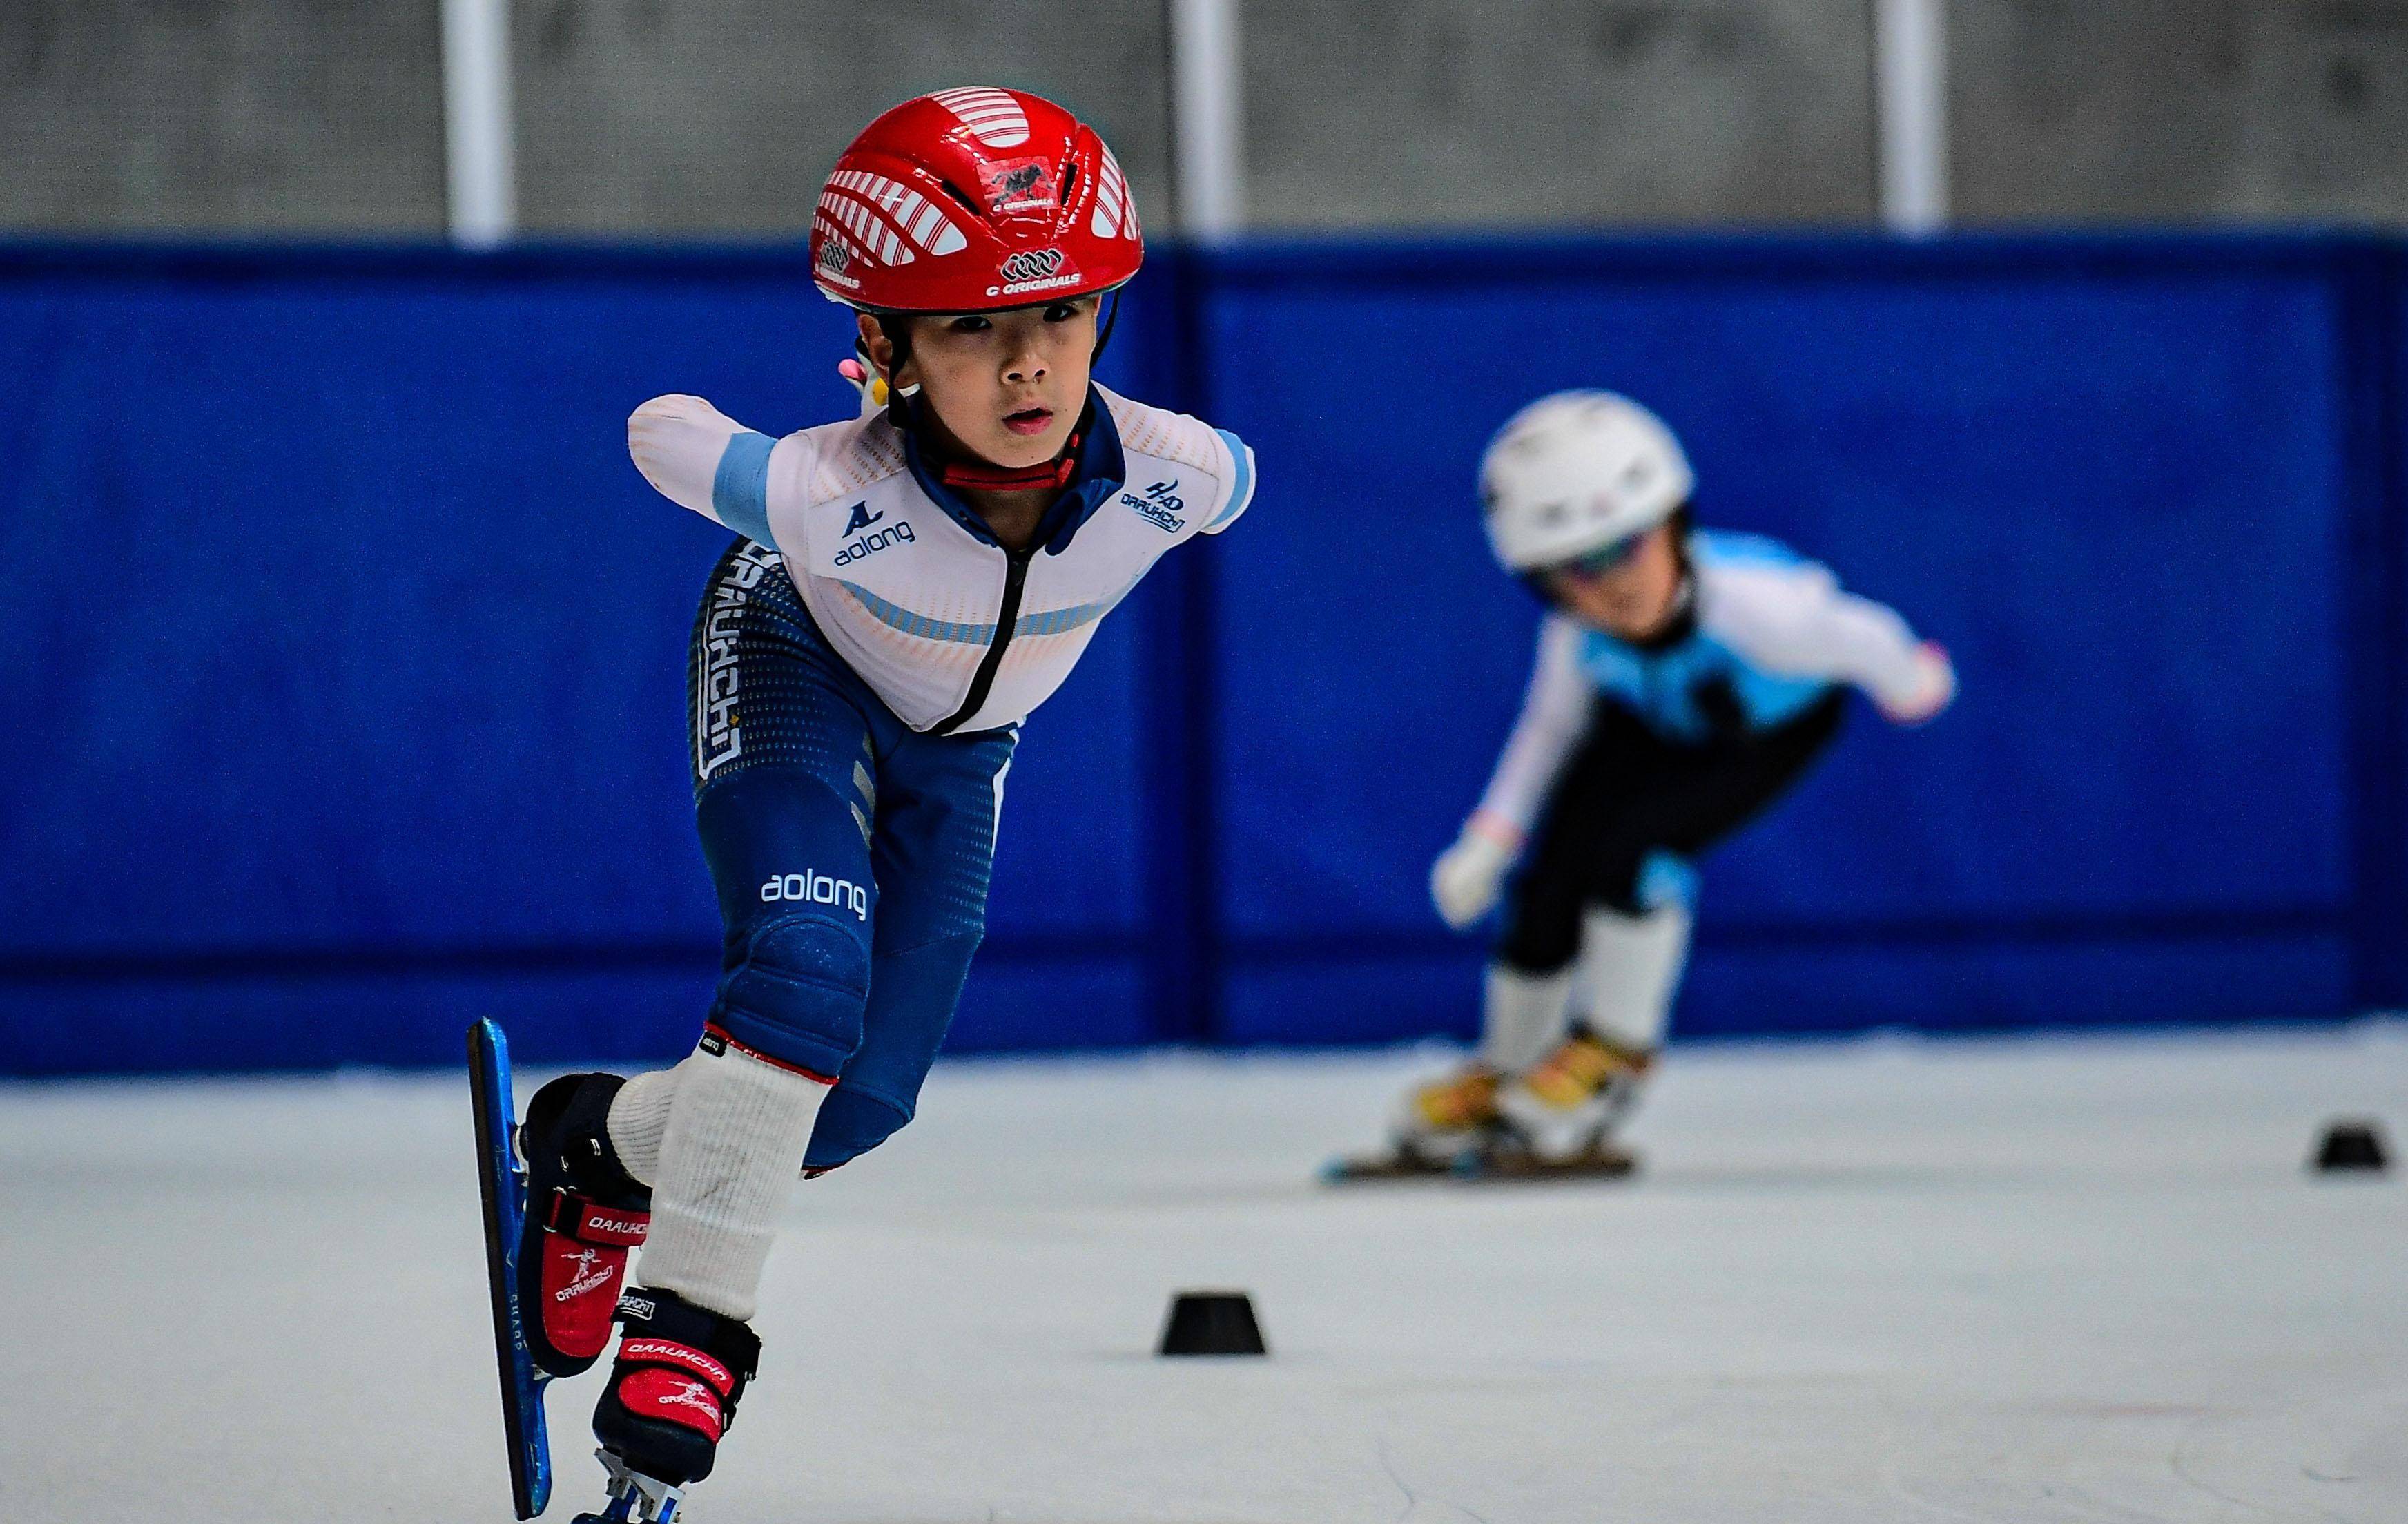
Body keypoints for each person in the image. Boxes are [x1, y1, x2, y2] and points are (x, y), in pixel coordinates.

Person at [496, 88, 1254, 1519]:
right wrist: (781, 481)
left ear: (1105, 316)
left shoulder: (1175, 472)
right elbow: (661, 430)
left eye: (1059, 316)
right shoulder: (832, 487)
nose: (1028, 364)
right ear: (887, 347)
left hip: (959, 755)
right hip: (794, 660)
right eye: (967, 326)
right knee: (801, 969)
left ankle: (596, 1145)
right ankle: (689, 1334)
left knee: (843, 1111)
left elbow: (1239, 483)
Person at [1383, 390, 1952, 1175]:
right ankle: (1509, 1064)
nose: (1609, 584)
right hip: (1651, 720)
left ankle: (1610, 1057)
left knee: (1636, 852)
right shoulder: (1575, 634)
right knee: (1550, 876)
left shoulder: (1763, 613)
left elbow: (1861, 636)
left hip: (1766, 728)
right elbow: (1547, 732)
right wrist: (1487, 840)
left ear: (1674, 525)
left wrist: (1912, 684)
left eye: (1625, 548)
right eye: (1574, 571)